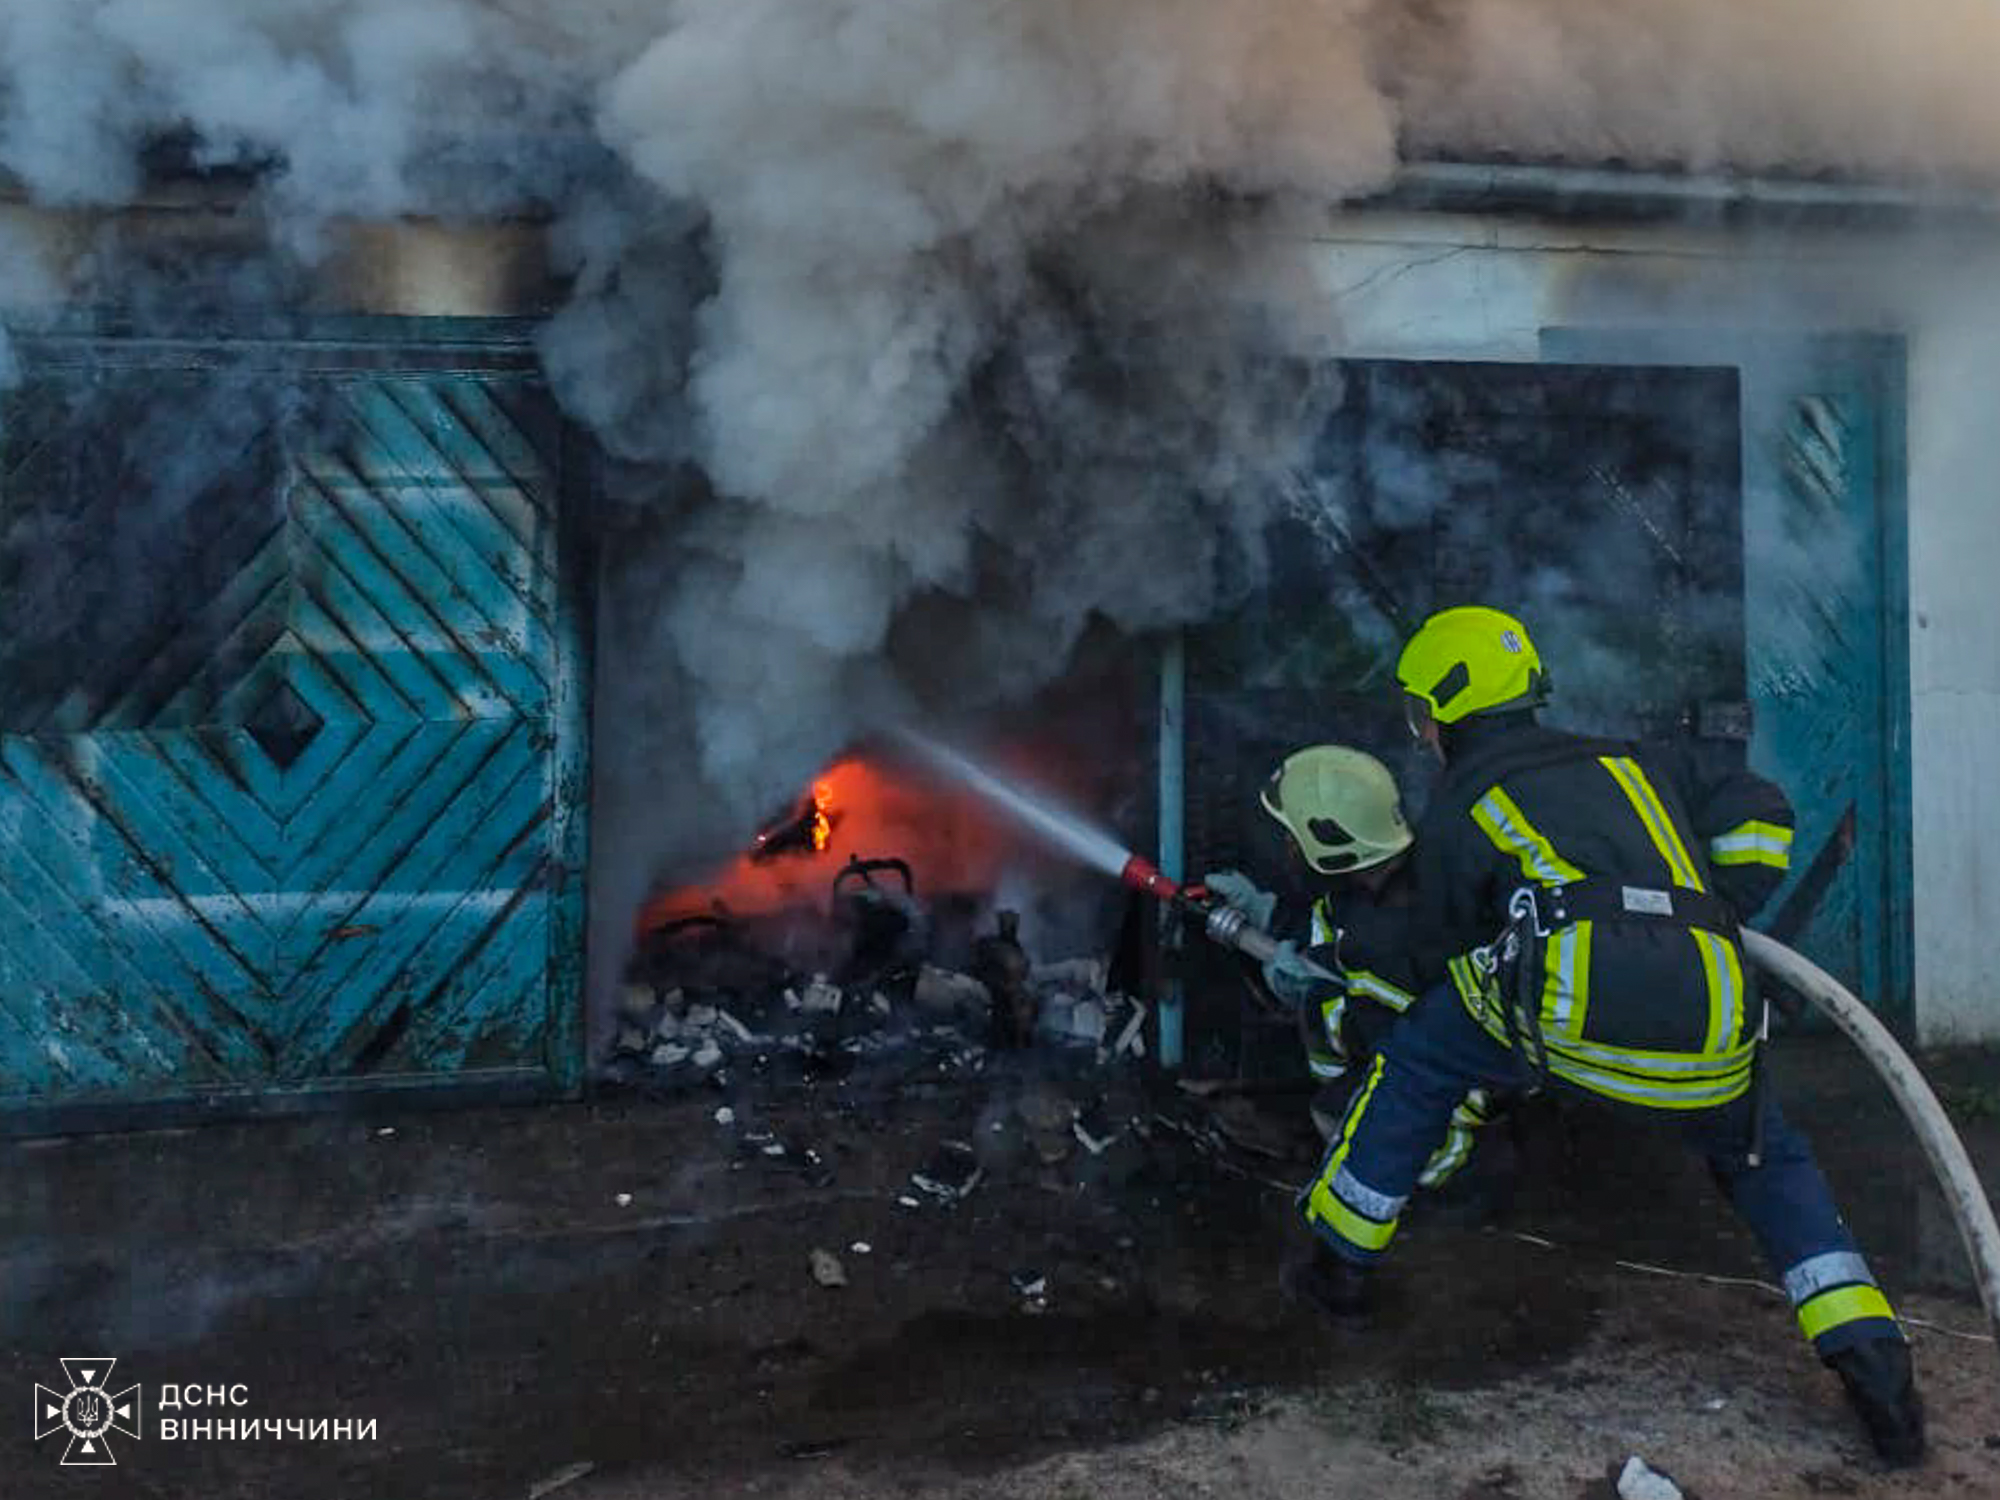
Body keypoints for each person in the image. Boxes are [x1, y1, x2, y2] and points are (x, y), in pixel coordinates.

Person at [1292, 604, 1925, 1467]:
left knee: (1419, 1057)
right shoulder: (1635, 761)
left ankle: (1339, 1269)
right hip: (1713, 1006)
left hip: (1568, 1015)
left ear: (1443, 712)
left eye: (1422, 712)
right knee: (1768, 1160)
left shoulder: (1462, 804)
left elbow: (1443, 956)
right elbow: (1758, 804)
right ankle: (1879, 1376)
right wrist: (1716, 906)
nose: (1423, 730)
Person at [1207, 746, 1499, 1189]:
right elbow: (1334, 922)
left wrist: (1314, 996)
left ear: (1332, 840)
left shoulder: (1384, 946)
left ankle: (1424, 1195)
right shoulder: (1405, 878)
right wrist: (1271, 919)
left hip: (1457, 1105)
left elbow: (1359, 1035)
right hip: (1464, 1062)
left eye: (1293, 835)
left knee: (1336, 1107)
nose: (1286, 846)